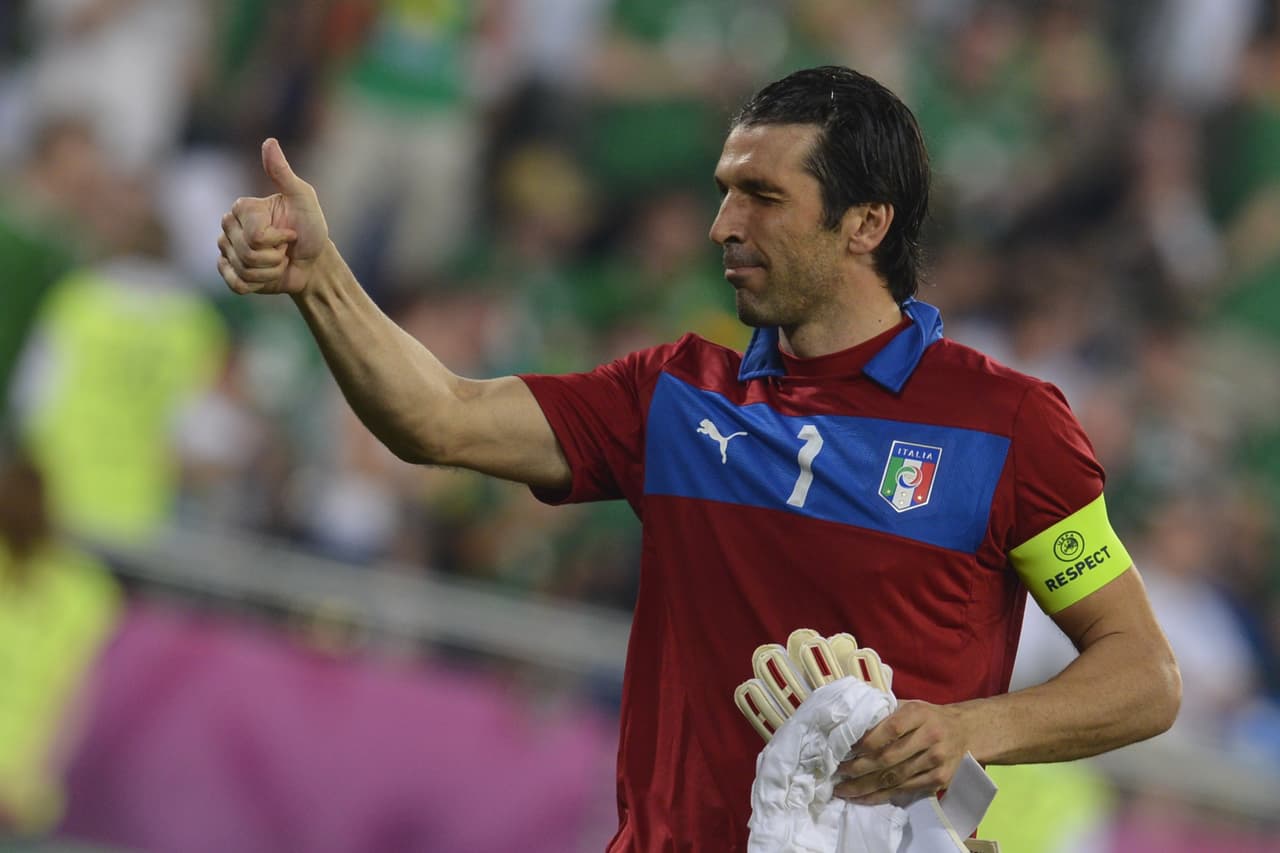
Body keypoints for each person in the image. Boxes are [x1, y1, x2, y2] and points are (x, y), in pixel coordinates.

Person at [216, 66, 1181, 852]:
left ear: (866, 223)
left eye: (763, 197)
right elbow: (439, 418)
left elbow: (1143, 672)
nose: (725, 225)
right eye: (725, 192)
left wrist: (971, 729)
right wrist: (322, 280)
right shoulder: (675, 396)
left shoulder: (1007, 424)